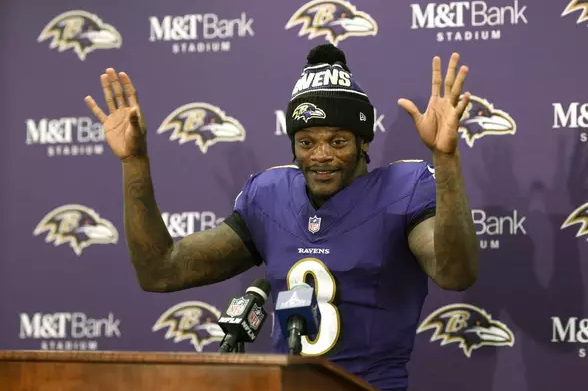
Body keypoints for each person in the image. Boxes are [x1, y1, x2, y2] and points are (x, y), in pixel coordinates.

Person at [84, 44, 479, 391]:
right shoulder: (270, 196)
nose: (321, 156)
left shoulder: (402, 189)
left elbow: (454, 272)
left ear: (364, 142)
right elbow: (161, 271)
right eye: (307, 143)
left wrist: (446, 159)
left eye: (338, 141)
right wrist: (134, 162)